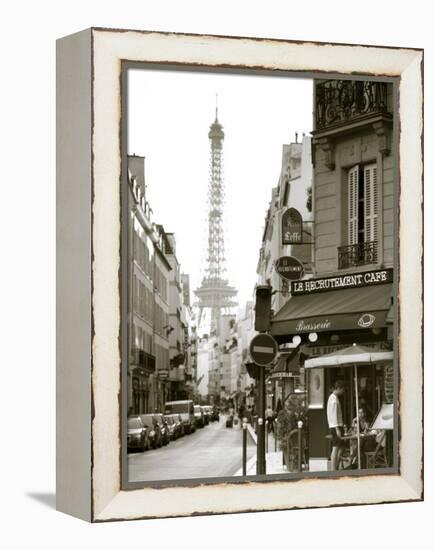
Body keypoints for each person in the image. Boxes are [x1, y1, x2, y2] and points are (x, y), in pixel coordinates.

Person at [327, 379, 345, 470]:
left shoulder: (333, 398)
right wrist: (337, 428)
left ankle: (335, 466)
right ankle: (333, 468)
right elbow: (333, 414)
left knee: (341, 446)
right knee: (336, 447)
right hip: (335, 426)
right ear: (338, 388)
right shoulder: (333, 399)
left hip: (335, 425)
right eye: (342, 389)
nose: (343, 391)